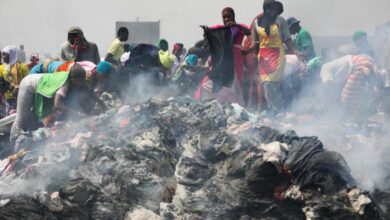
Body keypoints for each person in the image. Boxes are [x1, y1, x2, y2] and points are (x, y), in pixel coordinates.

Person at [10, 64, 88, 140]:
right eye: (80, 81)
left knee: (37, 116)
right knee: (22, 117)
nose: (81, 83)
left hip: (39, 86)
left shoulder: (70, 80)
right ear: (73, 79)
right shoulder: (65, 84)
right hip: (28, 85)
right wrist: (77, 114)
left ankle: (30, 139)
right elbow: (57, 104)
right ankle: (13, 140)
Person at [246, 0, 299, 114]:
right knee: (266, 85)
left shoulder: (281, 21)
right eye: (269, 8)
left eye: (274, 9)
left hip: (277, 55)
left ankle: (277, 112)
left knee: (271, 83)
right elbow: (254, 43)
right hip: (263, 58)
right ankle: (276, 111)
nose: (272, 11)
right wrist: (246, 52)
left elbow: (287, 39)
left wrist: (296, 51)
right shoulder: (257, 22)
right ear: (264, 9)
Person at [1, 46, 29, 115]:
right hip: (8, 98)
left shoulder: (22, 66)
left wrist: (18, 86)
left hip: (21, 96)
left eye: (5, 54)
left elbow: (27, 81)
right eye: (2, 54)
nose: (3, 56)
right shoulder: (1, 68)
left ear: (12, 54)